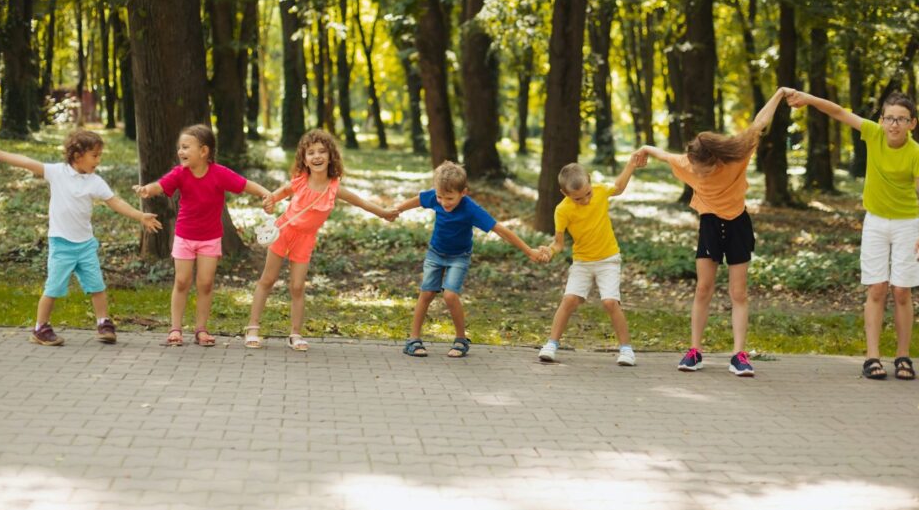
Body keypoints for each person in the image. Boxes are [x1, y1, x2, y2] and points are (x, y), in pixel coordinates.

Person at [638, 87, 791, 377]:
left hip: (737, 224)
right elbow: (663, 154)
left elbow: (759, 123)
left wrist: (779, 94)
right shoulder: (687, 162)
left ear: (716, 159)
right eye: (695, 168)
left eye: (705, 169)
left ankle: (739, 355)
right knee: (703, 288)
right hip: (709, 224)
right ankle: (695, 351)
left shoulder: (737, 154)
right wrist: (645, 149)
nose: (699, 174)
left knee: (738, 292)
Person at [787, 90, 919, 380]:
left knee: (902, 291)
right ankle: (872, 357)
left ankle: (903, 357)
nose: (894, 124)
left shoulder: (915, 152)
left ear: (912, 123)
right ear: (881, 119)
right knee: (877, 288)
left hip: (906, 225)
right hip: (876, 222)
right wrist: (808, 99)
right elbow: (840, 112)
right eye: (889, 118)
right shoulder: (873, 133)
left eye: (901, 119)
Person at [0, 130, 162, 346]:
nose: (98, 160)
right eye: (94, 155)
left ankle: (103, 322)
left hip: (85, 245)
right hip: (61, 244)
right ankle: (40, 328)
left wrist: (140, 216)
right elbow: (28, 162)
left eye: (100, 155)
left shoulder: (95, 181)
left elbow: (116, 202)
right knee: (53, 288)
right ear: (77, 155)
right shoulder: (57, 172)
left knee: (97, 286)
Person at [244, 129, 397, 350]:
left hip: (305, 240)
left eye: (322, 152)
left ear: (330, 156)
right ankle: (253, 327)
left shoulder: (335, 188)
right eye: (311, 152)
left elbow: (360, 202)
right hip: (283, 232)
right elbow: (276, 195)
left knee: (297, 286)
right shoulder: (300, 181)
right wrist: (269, 202)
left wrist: (383, 213)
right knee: (267, 280)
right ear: (304, 159)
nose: (317, 156)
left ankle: (295, 334)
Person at [395, 161, 550, 358]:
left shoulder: (471, 209)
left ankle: (461, 339)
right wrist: (396, 210)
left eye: (450, 198)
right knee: (426, 294)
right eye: (440, 197)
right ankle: (413, 339)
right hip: (435, 254)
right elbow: (418, 200)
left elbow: (500, 229)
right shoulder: (436, 196)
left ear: (464, 192)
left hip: (459, 257)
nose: (443, 202)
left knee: (450, 295)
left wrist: (529, 251)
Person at [134, 124, 271, 347]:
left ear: (204, 151)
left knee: (205, 283)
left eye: (186, 147)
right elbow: (161, 185)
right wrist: (147, 189)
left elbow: (245, 185)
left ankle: (201, 329)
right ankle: (175, 329)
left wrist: (266, 193)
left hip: (210, 239)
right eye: (180, 147)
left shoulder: (219, 174)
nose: (180, 152)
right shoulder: (180, 173)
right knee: (181, 280)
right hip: (184, 237)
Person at [538, 153, 646, 365]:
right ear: (564, 193)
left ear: (589, 180)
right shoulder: (562, 210)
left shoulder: (600, 190)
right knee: (569, 300)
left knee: (609, 302)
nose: (585, 200)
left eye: (587, 193)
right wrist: (549, 252)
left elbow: (619, 186)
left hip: (608, 259)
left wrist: (631, 165)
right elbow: (559, 243)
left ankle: (626, 350)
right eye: (578, 198)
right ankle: (551, 344)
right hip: (582, 262)